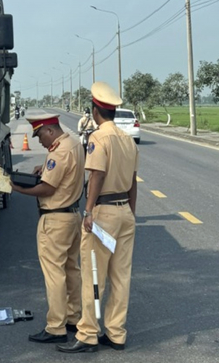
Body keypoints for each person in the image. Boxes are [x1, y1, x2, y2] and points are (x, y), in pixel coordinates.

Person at [57, 82, 139, 354]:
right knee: (120, 276)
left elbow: (97, 176)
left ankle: (88, 334)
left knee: (94, 276)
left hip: (103, 212)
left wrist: (89, 210)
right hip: (125, 211)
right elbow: (133, 183)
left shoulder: (98, 139)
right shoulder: (127, 140)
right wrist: (131, 212)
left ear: (95, 111)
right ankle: (116, 333)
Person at [11, 113, 85, 345]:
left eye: (40, 135)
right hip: (73, 215)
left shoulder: (59, 151)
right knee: (72, 269)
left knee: (54, 274)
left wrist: (16, 189)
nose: (39, 141)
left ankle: (56, 327)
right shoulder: (73, 144)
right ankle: (74, 317)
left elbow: (47, 189)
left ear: (50, 130)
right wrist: (42, 169)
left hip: (55, 220)